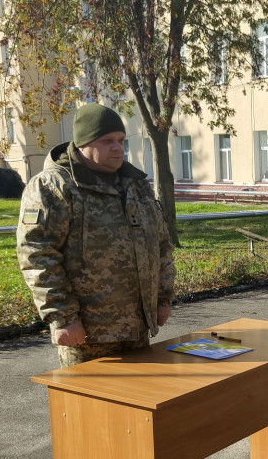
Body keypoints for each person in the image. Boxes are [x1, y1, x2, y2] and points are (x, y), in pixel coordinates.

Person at [16, 102, 175, 366]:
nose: (117, 148)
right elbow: (37, 255)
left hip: (137, 329)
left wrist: (163, 298)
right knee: (89, 406)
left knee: (137, 403)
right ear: (83, 144)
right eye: (107, 141)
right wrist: (64, 318)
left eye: (121, 140)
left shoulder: (136, 186)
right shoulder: (53, 187)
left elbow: (161, 245)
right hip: (87, 336)